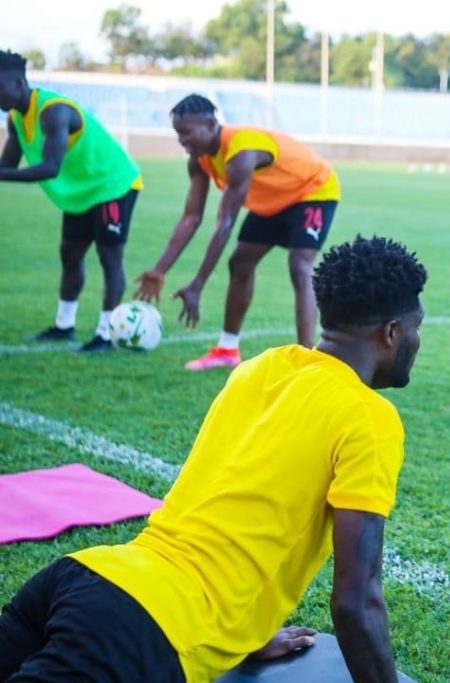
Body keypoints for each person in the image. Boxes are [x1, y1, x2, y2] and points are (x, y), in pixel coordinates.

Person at [0, 235, 427, 682]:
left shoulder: (263, 367)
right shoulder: (370, 417)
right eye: (417, 328)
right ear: (392, 333)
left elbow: (232, 501)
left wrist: (247, 634)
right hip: (142, 628)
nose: (417, 341)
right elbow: (356, 603)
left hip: (83, 576)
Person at [135, 93, 341, 371]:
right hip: (272, 200)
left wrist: (197, 285)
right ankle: (227, 350)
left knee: (300, 265)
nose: (182, 140)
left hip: (312, 190)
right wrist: (159, 270)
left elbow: (225, 223)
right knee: (240, 262)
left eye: (186, 132)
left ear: (210, 123)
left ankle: (307, 361)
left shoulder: (241, 152)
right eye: (177, 134)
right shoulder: (199, 159)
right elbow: (191, 218)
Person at [0, 49, 143, 352]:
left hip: (112, 185)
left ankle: (106, 333)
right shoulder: (16, 119)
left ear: (17, 82)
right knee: (70, 254)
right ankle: (64, 326)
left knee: (109, 257)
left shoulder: (53, 112)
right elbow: (7, 166)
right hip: (80, 194)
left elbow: (50, 167)